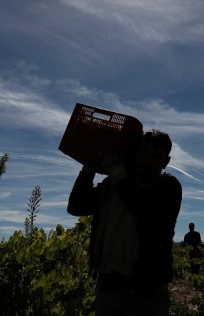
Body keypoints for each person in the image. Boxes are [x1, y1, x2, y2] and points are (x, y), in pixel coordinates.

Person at [67, 129, 182, 316]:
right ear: (135, 154)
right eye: (143, 153)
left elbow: (144, 208)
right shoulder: (112, 185)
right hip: (110, 286)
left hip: (148, 290)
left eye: (155, 156)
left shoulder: (169, 186)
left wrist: (118, 175)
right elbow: (76, 207)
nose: (147, 161)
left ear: (166, 162)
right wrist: (87, 171)